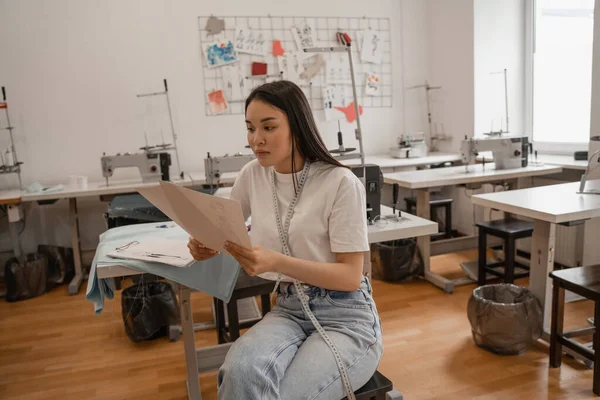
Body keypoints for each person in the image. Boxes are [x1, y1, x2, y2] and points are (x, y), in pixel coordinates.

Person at [188, 80, 382, 400]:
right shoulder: (253, 174)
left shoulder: (340, 183)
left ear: (297, 125)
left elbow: (350, 277)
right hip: (290, 309)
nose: (256, 139)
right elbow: (224, 230)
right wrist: (204, 244)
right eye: (250, 128)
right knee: (238, 374)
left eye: (268, 127)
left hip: (346, 317)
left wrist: (277, 262)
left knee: (286, 394)